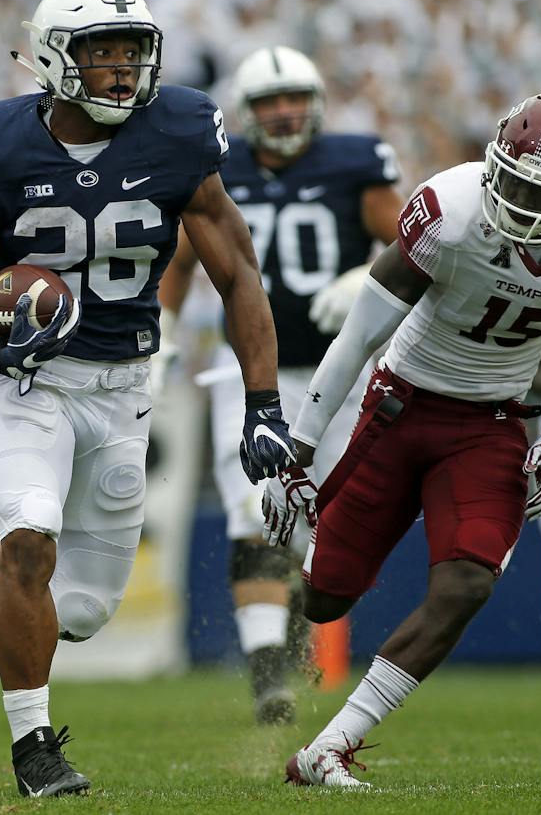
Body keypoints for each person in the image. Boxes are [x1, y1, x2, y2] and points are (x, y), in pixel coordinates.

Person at [0, 0, 294, 797]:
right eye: (101, 50)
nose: (120, 69)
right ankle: (34, 749)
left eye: (133, 51)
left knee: (80, 612)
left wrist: (263, 405)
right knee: (32, 540)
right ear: (52, 57)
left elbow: (239, 274)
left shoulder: (179, 131)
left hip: (124, 385)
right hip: (30, 382)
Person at [272, 93, 541, 788]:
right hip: (400, 403)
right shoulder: (452, 208)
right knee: (325, 599)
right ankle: (303, 539)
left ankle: (328, 748)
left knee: (468, 582)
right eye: (516, 178)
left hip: (493, 420)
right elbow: (358, 337)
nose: (524, 200)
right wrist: (299, 451)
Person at [155, 46, 403, 724]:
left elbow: (415, 243)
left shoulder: (357, 161)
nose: (285, 112)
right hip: (250, 373)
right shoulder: (218, 168)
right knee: (253, 512)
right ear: (248, 112)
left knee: (323, 526)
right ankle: (270, 679)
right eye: (269, 102)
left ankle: (293, 623)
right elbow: (180, 259)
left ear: (315, 102)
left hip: (341, 371)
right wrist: (164, 333)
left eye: (294, 98)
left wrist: (367, 277)